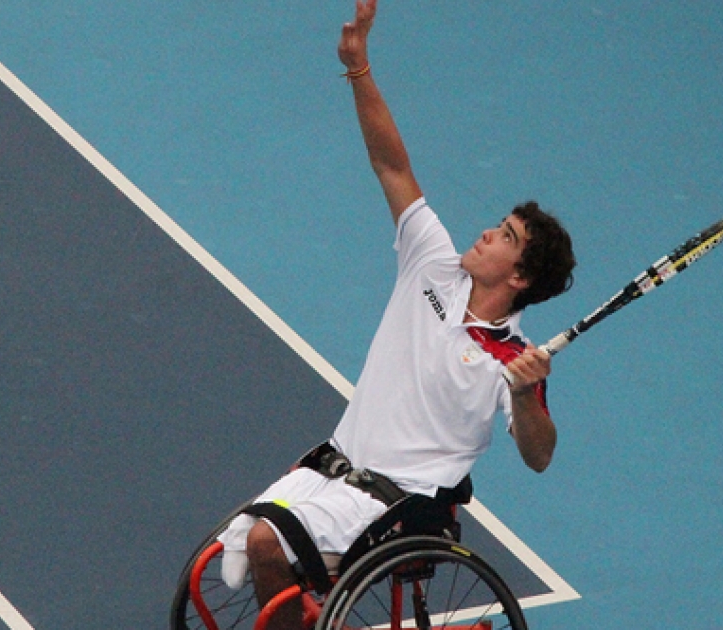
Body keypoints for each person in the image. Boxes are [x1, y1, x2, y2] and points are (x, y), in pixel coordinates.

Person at [217, 1, 576, 628]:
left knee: (266, 545)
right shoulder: (432, 262)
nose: (487, 233)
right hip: (333, 467)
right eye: (499, 225)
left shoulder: (514, 362)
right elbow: (392, 164)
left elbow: (540, 455)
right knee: (238, 548)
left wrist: (523, 396)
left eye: (506, 237)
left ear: (518, 278)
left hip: (399, 503)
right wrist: (359, 68)